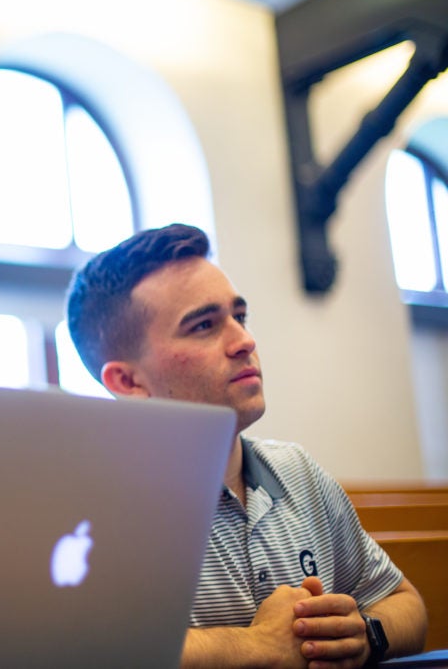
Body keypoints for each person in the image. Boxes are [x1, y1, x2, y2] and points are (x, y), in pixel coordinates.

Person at [66, 223, 427, 668]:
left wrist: (364, 633)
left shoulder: (297, 471)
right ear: (127, 380)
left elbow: (404, 601)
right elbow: (84, 653)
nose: (245, 341)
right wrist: (256, 646)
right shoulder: (88, 510)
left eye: (240, 316)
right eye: (203, 325)